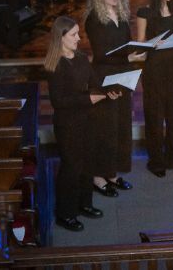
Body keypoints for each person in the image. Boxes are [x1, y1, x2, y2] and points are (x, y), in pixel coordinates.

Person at [45, 16, 120, 231]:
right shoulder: (55, 65)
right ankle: (65, 214)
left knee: (88, 161)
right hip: (68, 124)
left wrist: (109, 91)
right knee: (71, 167)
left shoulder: (80, 58)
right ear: (61, 38)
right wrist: (88, 99)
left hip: (87, 118)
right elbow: (58, 101)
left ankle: (85, 204)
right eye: (74, 35)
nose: (79, 38)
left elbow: (95, 83)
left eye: (78, 33)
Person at [84, 0, 142, 197]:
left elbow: (125, 44)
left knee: (120, 128)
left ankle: (113, 173)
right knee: (104, 131)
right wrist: (128, 58)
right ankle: (98, 177)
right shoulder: (94, 20)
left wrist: (136, 52)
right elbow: (101, 54)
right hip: (104, 78)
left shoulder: (121, 13)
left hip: (123, 75)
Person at [136, 0, 173, 178]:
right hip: (154, 67)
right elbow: (140, 45)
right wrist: (152, 44)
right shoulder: (145, 12)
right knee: (155, 114)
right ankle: (156, 161)